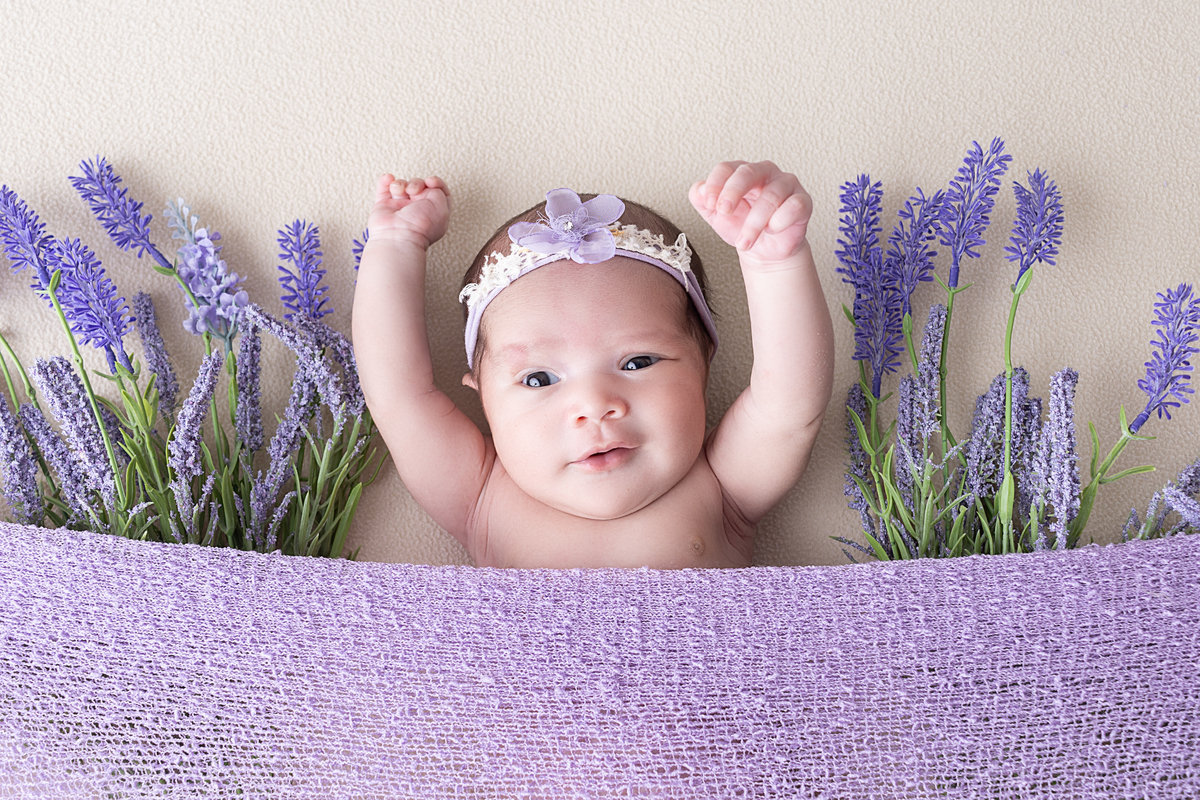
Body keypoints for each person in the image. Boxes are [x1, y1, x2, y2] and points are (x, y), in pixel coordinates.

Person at [352, 161, 833, 568]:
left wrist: (775, 263)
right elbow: (400, 397)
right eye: (539, 378)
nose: (594, 405)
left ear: (703, 360)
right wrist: (396, 243)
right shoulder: (481, 494)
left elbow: (787, 407)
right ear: (482, 395)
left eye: (637, 361)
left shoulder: (720, 486)